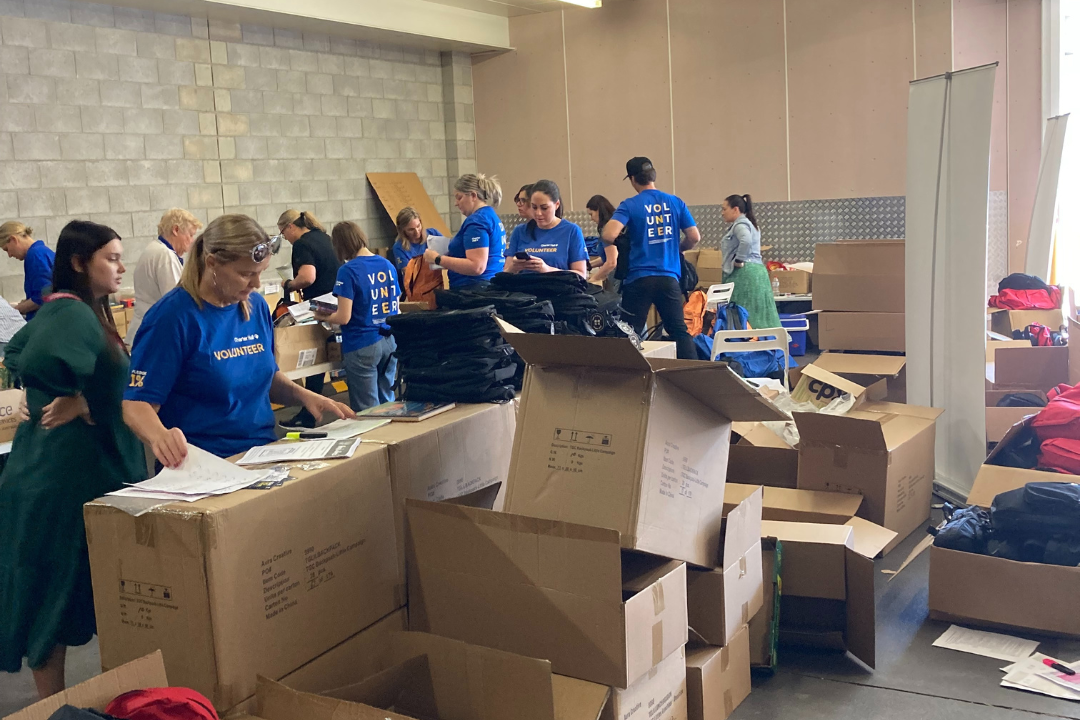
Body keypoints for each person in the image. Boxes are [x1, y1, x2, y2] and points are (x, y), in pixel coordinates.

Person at [0, 220, 146, 698]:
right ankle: (54, 708)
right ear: (80, 263)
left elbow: (17, 350)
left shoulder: (81, 310)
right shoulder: (74, 314)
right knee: (55, 599)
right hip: (61, 484)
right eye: (111, 258)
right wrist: (73, 393)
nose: (121, 266)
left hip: (71, 476)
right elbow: (38, 357)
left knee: (76, 595)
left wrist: (82, 396)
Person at [122, 214, 354, 467]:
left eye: (260, 273)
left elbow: (266, 377)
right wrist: (160, 437)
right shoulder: (171, 318)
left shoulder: (254, 307)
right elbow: (137, 403)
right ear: (212, 263)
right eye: (245, 274)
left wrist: (306, 396)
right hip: (203, 462)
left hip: (259, 452)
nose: (255, 284)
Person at [602, 157, 700, 359]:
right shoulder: (675, 202)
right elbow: (694, 237)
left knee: (629, 332)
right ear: (653, 175)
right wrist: (677, 249)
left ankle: (626, 380)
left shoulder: (630, 205)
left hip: (639, 279)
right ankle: (696, 378)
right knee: (679, 331)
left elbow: (608, 235)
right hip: (669, 278)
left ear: (632, 179)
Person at [314, 222, 399, 412]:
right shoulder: (387, 264)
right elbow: (395, 305)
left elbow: (344, 317)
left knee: (367, 408)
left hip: (363, 343)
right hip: (390, 339)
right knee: (388, 401)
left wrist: (323, 316)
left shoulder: (348, 270)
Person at [277, 209, 341, 428]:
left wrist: (288, 284)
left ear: (291, 227)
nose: (285, 238)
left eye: (283, 233)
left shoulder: (302, 244)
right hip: (336, 300)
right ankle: (310, 410)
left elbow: (307, 277)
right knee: (322, 357)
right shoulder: (324, 236)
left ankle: (309, 412)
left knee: (310, 355)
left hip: (319, 304)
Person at [126, 208, 203, 345]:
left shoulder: (154, 249)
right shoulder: (165, 255)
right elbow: (177, 301)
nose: (192, 241)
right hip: (153, 333)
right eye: (190, 235)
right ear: (176, 230)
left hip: (146, 328)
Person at [423, 174, 506, 288]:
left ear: (473, 195)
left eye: (459, 197)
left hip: (473, 291)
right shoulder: (491, 216)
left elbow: (477, 267)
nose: (456, 203)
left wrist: (437, 259)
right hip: (488, 285)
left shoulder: (477, 222)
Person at [503, 179, 588, 278]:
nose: (538, 213)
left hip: (558, 291)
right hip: (524, 291)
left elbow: (581, 274)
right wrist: (514, 267)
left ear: (556, 205)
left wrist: (547, 269)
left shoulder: (571, 231)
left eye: (544, 208)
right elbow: (506, 273)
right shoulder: (519, 231)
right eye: (534, 207)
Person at [721, 193, 781, 330]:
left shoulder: (740, 225)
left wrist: (739, 259)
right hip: (758, 273)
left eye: (724, 209)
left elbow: (746, 240)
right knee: (761, 316)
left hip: (745, 275)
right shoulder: (751, 224)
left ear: (735, 209)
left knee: (743, 314)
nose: (722, 213)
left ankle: (745, 346)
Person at [0, 222, 55, 321]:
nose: (9, 255)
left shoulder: (35, 255)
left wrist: (15, 310)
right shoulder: (42, 252)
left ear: (13, 239)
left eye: (7, 249)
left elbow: (43, 297)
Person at [391, 207, 443, 279]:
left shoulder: (433, 234)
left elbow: (450, 251)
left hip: (436, 284)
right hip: (415, 287)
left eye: (418, 226)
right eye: (411, 229)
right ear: (402, 230)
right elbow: (409, 273)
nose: (417, 231)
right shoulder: (399, 247)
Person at [586, 194, 624, 289]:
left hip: (619, 278)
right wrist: (588, 266)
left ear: (599, 210)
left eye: (591, 214)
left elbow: (611, 262)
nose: (591, 219)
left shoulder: (608, 230)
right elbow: (606, 257)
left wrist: (592, 280)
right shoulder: (615, 225)